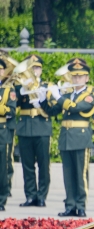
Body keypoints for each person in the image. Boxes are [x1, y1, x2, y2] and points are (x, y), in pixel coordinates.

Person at [41, 58, 94, 217]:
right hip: (66, 138)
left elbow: (75, 108)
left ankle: (81, 206)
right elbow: (52, 111)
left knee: (80, 175)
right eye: (74, 76)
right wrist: (42, 100)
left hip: (80, 139)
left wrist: (58, 96)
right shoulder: (67, 95)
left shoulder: (90, 96)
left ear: (87, 78)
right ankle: (70, 205)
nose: (77, 79)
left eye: (80, 76)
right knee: (68, 175)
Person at [15, 55, 52, 208]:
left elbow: (52, 108)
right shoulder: (19, 86)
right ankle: (30, 196)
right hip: (25, 128)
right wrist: (23, 89)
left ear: (41, 70)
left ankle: (42, 196)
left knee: (44, 165)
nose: (34, 71)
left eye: (36, 68)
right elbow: (14, 103)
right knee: (27, 165)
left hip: (42, 127)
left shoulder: (47, 86)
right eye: (31, 68)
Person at [0, 59, 16, 211]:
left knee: (2, 168)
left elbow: (11, 111)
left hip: (1, 130)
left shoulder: (7, 90)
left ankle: (1, 199)